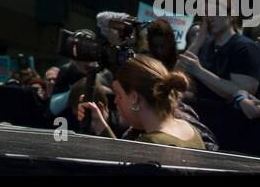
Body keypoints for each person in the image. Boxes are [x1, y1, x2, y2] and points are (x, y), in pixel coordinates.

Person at [76, 55, 210, 151]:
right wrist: (100, 125)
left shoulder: (150, 145)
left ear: (134, 97)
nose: (115, 101)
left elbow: (120, 167)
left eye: (119, 95)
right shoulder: (190, 129)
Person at [177, 0, 260, 105]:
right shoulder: (205, 46)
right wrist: (199, 38)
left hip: (231, 118)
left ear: (231, 15)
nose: (210, 18)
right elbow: (177, 75)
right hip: (203, 115)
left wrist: (199, 71)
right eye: (206, 14)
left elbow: (242, 93)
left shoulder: (245, 47)